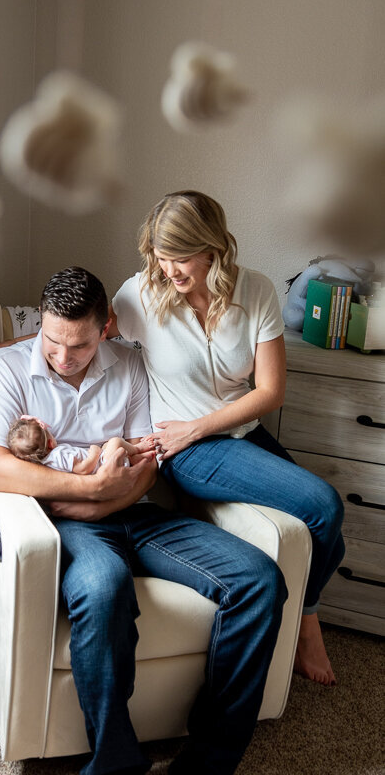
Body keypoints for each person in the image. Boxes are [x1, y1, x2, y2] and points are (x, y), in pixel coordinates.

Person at [0, 266, 289, 775]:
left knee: (259, 580)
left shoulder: (131, 363)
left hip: (137, 514)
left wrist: (97, 494)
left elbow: (146, 468)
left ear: (106, 329)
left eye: (81, 343)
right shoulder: (6, 368)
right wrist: (87, 489)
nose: (64, 356)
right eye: (53, 340)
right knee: (103, 586)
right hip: (72, 529)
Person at [110, 189, 345, 687]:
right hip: (186, 450)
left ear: (212, 247)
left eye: (182, 256)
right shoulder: (140, 295)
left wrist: (204, 423)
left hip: (238, 434)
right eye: (160, 254)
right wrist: (17, 348)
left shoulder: (255, 290)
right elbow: (85, 333)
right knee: (322, 503)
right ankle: (307, 625)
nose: (169, 268)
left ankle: (306, 610)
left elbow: (271, 391)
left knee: (331, 532)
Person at [6, 414, 155, 474]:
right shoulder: (59, 455)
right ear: (50, 443)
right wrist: (94, 452)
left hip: (103, 463)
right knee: (115, 442)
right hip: (103, 466)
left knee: (108, 447)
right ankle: (137, 449)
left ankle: (134, 459)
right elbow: (83, 469)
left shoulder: (49, 461)